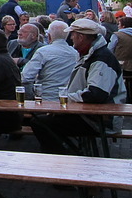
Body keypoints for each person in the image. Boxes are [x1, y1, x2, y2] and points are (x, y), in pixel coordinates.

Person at [31, 18, 126, 154]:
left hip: (101, 121)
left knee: (40, 123)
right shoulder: (92, 54)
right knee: (44, 120)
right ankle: (66, 154)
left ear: (81, 37)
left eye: (73, 35)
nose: (71, 38)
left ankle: (66, 157)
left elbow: (96, 94)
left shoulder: (101, 59)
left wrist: (67, 98)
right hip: (91, 116)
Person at [21, 20, 78, 101]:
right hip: (67, 98)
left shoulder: (43, 52)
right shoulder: (75, 53)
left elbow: (26, 77)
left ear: (49, 36)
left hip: (45, 99)